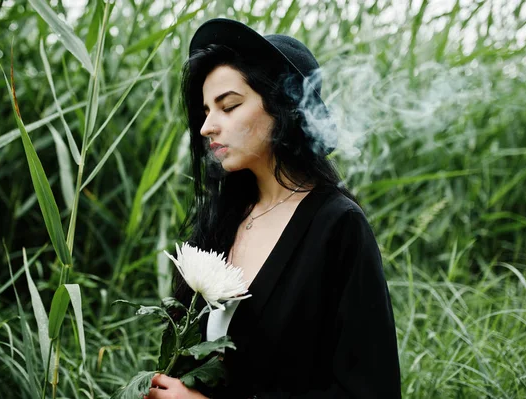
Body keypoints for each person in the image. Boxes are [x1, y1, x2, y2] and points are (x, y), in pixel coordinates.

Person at [145, 18, 401, 399]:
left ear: (282, 108)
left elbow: (369, 389)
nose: (206, 127)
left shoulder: (337, 226)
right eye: (205, 110)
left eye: (228, 106)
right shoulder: (224, 218)